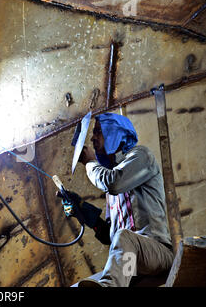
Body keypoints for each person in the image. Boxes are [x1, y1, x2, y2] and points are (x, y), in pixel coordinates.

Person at [64, 113, 174, 287]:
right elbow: (111, 237)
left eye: (98, 131)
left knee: (124, 237)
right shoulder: (113, 187)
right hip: (132, 266)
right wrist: (82, 210)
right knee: (77, 286)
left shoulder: (141, 156)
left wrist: (90, 162)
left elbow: (113, 182)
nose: (92, 137)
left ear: (115, 132)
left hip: (157, 255)